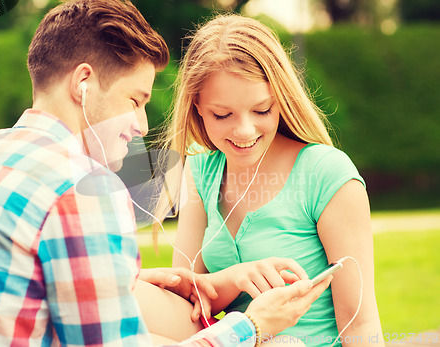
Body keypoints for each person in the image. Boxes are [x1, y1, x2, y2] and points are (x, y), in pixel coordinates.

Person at [0, 1, 332, 346]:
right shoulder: (85, 189)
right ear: (83, 83)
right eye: (135, 100)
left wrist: (132, 282)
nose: (142, 125)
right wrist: (252, 327)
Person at [149, 14, 384, 346]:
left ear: (281, 99)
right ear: (197, 106)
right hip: (238, 338)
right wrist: (237, 278)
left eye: (261, 110)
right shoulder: (200, 171)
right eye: (222, 114)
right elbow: (189, 299)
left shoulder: (325, 172)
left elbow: (360, 321)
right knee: (135, 298)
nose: (244, 131)